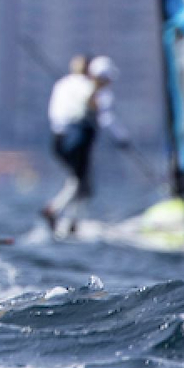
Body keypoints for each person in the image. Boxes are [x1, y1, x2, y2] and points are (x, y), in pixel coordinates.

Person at [42, 54, 128, 234]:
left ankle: (69, 220)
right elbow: (105, 117)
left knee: (79, 181)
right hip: (77, 138)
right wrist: (122, 139)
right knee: (81, 183)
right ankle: (59, 215)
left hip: (58, 139)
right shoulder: (91, 89)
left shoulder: (63, 84)